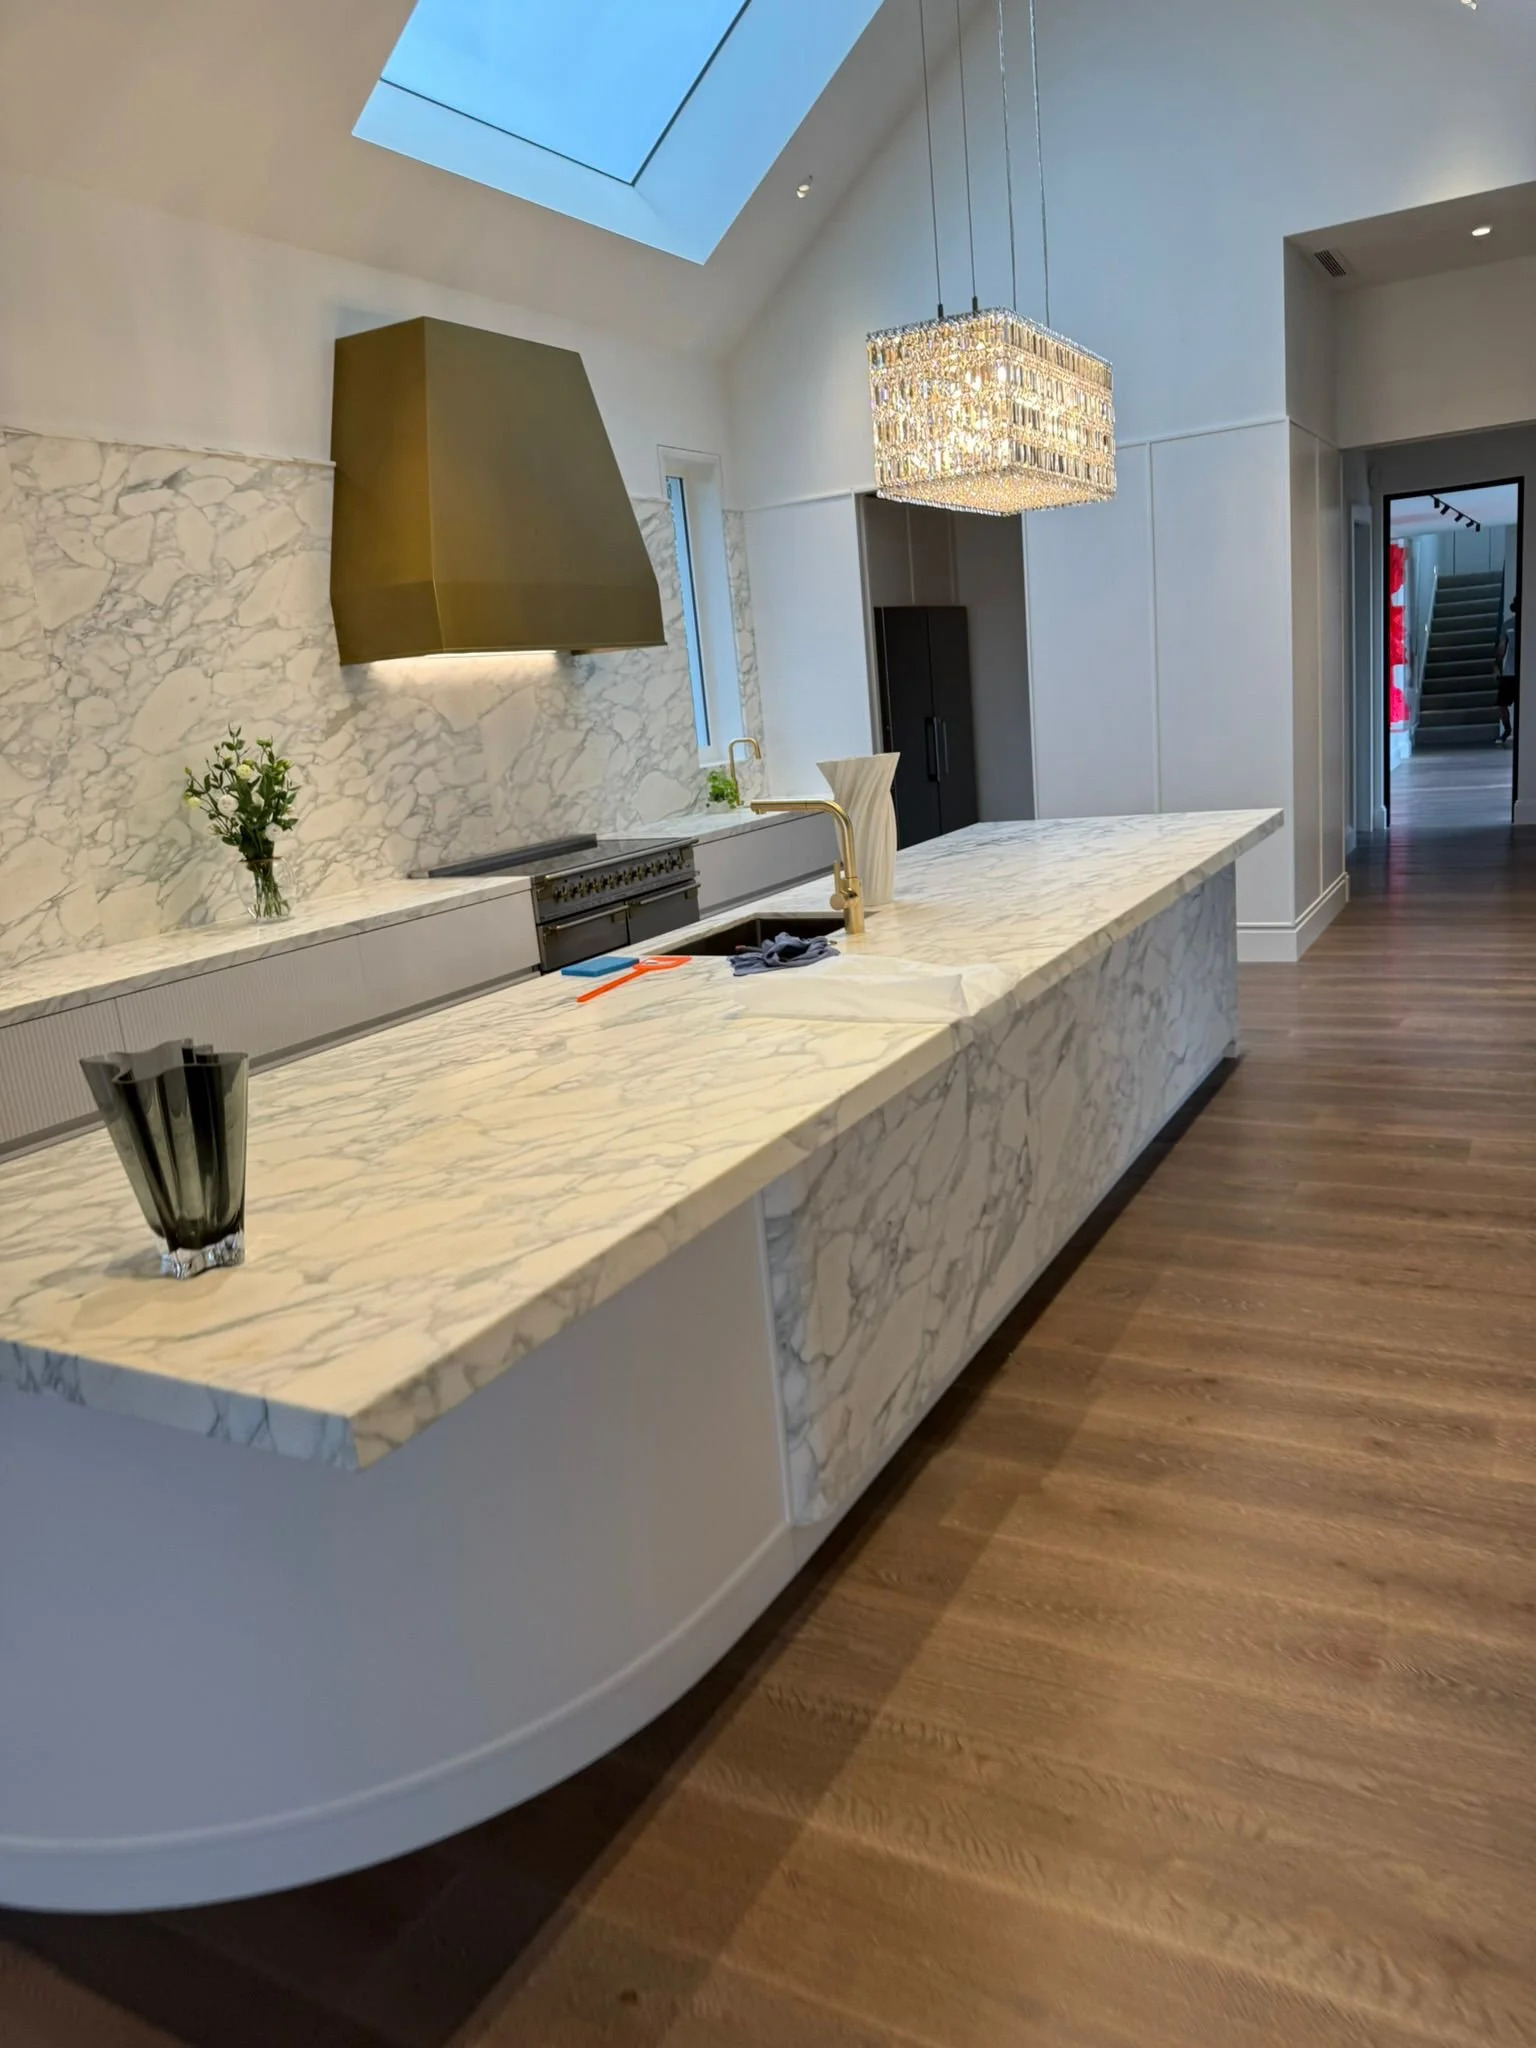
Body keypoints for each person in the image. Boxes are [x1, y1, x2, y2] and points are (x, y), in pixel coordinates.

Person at [1496, 593, 1518, 745]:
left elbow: (1501, 648)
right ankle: (1508, 729)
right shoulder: (1508, 625)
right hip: (1510, 671)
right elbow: (1502, 647)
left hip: (1519, 672)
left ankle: (1512, 729)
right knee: (1502, 704)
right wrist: (1497, 665)